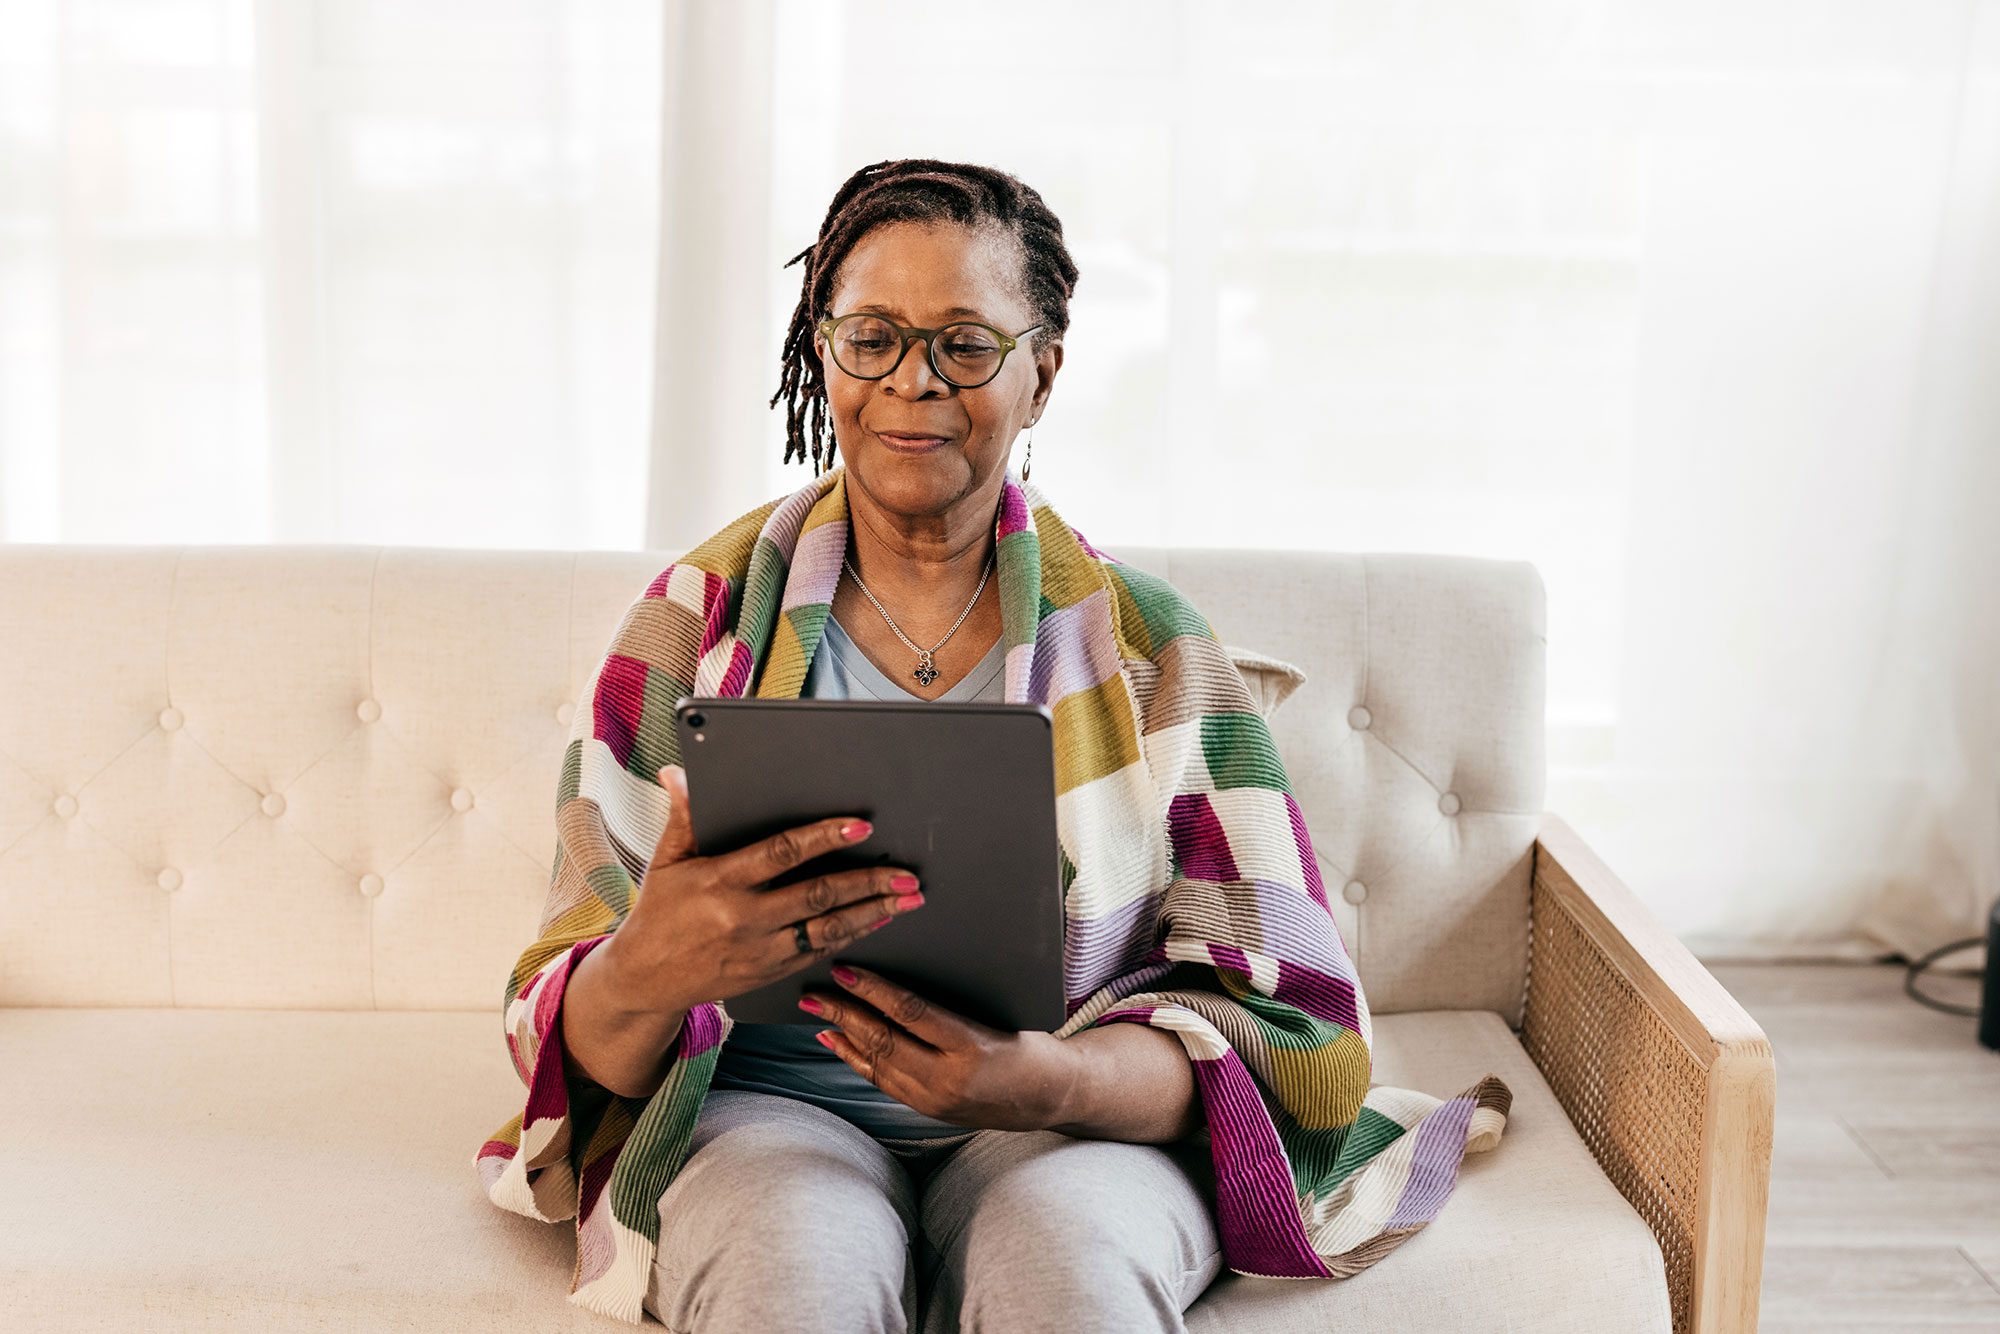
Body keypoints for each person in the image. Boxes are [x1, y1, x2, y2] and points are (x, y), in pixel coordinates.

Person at [474, 158, 1510, 1333]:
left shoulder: (1148, 648)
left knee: (1069, 1275)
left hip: (1063, 1124)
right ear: (823, 350)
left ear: (1042, 371)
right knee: (791, 1281)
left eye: (963, 343)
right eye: (870, 336)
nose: (910, 381)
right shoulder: (690, 623)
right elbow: (562, 1038)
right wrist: (647, 965)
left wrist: (1044, 1079)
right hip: (758, 1118)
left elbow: (1298, 1037)